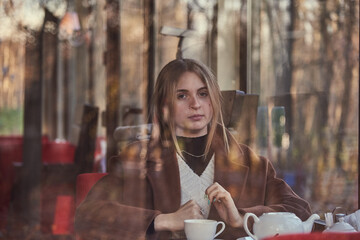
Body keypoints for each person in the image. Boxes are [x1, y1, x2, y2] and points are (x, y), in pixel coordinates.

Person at [75, 58, 312, 240]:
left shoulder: (251, 162)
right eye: (182, 95)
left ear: (213, 100)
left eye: (202, 93)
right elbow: (87, 216)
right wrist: (163, 221)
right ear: (164, 105)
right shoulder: (138, 159)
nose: (195, 104)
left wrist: (243, 218)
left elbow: (300, 211)